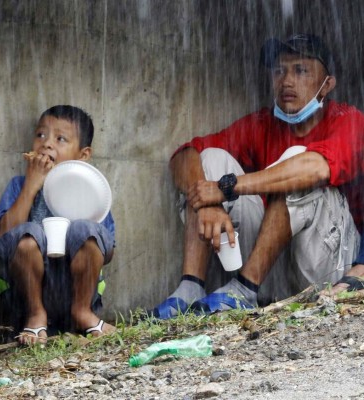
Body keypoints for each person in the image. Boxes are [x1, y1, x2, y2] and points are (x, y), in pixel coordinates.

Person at [153, 34, 364, 318]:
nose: (287, 81)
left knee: (295, 166)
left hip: (328, 268)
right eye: (279, 71)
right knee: (211, 158)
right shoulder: (262, 123)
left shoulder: (349, 120)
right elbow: (184, 154)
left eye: (300, 70)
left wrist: (227, 187)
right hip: (272, 269)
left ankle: (243, 289)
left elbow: (315, 168)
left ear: (327, 85)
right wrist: (209, 203)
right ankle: (190, 288)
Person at [0, 105, 116, 344]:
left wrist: (82, 233)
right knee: (29, 235)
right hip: (26, 296)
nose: (47, 144)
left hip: (75, 288)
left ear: (83, 155)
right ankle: (36, 314)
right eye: (41, 135)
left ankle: (82, 312)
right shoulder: (20, 184)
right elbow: (3, 239)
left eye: (60, 139)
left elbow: (107, 249)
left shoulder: (91, 192)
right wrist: (32, 185)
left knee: (85, 230)